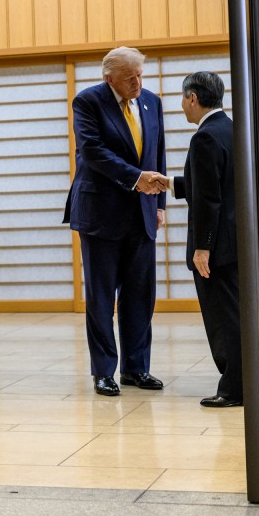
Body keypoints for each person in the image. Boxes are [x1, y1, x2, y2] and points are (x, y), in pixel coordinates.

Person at [63, 47, 167, 397]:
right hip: (101, 215)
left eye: (140, 75)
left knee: (140, 296)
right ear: (109, 79)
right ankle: (104, 371)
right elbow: (91, 151)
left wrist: (160, 202)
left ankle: (137, 368)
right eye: (129, 78)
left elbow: (158, 154)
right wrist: (136, 178)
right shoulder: (88, 102)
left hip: (143, 213)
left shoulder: (152, 101)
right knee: (102, 298)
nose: (137, 83)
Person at [165, 71, 242, 408]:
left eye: (183, 99)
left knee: (224, 320)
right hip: (238, 241)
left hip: (217, 248)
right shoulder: (232, 129)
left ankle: (233, 388)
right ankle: (245, 380)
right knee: (236, 313)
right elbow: (221, 182)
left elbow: (209, 200)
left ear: (192, 98)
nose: (182, 106)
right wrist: (169, 184)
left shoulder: (204, 138)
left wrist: (202, 248)